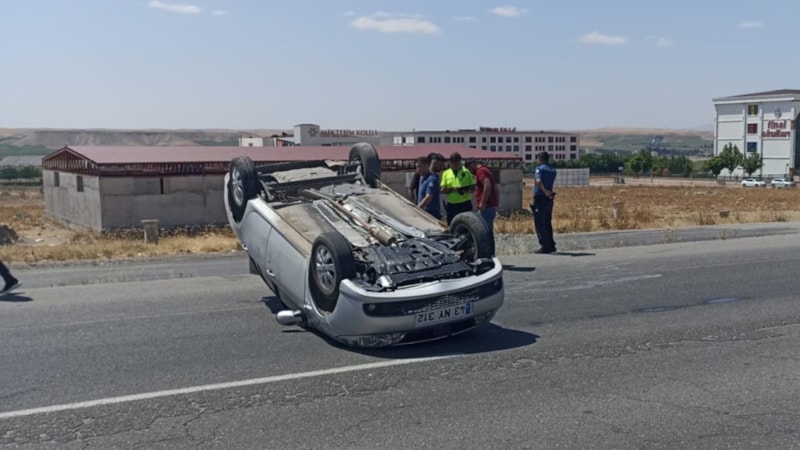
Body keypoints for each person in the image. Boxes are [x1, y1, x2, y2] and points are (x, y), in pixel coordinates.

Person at [465, 159, 499, 242]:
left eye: (469, 169)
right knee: (488, 230)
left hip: (486, 206)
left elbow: (487, 185)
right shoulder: (485, 170)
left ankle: (489, 252)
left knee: (485, 231)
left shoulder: (480, 171)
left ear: (472, 164)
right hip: (490, 205)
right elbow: (495, 188)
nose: (470, 171)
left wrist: (482, 202)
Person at [440, 152, 475, 225]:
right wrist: (453, 189)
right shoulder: (446, 173)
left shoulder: (467, 172)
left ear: (460, 161)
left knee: (467, 224)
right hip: (452, 204)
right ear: (450, 163)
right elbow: (442, 190)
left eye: (457, 163)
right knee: (451, 224)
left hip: (465, 204)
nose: (455, 165)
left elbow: (473, 188)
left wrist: (465, 190)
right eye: (453, 163)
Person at [532, 151, 557, 254]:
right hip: (549, 198)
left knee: (539, 222)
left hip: (541, 197)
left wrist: (544, 190)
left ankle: (544, 245)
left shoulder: (539, 169)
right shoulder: (552, 170)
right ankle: (551, 244)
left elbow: (538, 181)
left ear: (540, 159)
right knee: (547, 221)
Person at [416, 155, 442, 220]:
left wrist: (417, 209)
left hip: (431, 214)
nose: (418, 169)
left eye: (420, 167)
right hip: (424, 212)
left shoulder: (432, 179)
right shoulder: (422, 178)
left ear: (427, 165)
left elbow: (428, 197)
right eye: (417, 167)